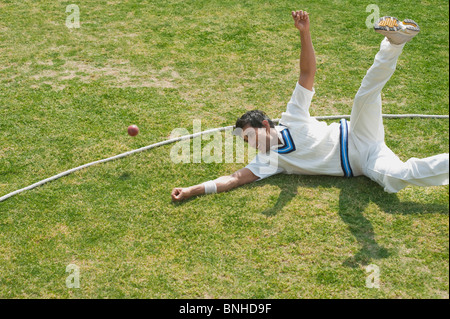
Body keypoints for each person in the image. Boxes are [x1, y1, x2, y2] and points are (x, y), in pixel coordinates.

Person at [171, 10, 449, 202]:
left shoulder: (292, 116)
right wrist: (191, 190)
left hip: (358, 133)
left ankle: (393, 42)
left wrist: (304, 33)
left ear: (265, 125)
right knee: (396, 177)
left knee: (365, 95)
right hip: (363, 162)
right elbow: (233, 179)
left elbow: (306, 74)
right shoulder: (270, 161)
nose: (250, 145)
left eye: (249, 137)